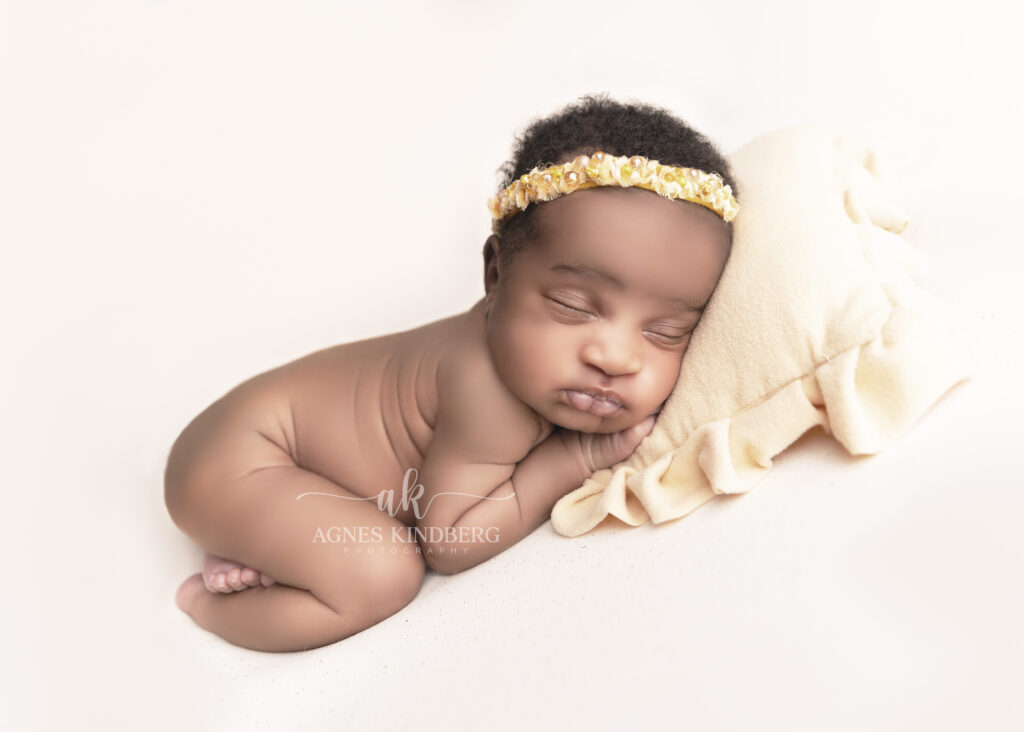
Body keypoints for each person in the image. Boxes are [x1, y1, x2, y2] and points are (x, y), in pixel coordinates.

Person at [166, 94, 739, 652]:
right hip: (240, 462)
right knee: (382, 575)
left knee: (369, 550)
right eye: (572, 304)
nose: (615, 357)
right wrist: (576, 460)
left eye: (665, 332)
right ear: (495, 275)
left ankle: (274, 545)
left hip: (282, 468)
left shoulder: (530, 359)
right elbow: (448, 540)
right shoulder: (486, 390)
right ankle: (211, 606)